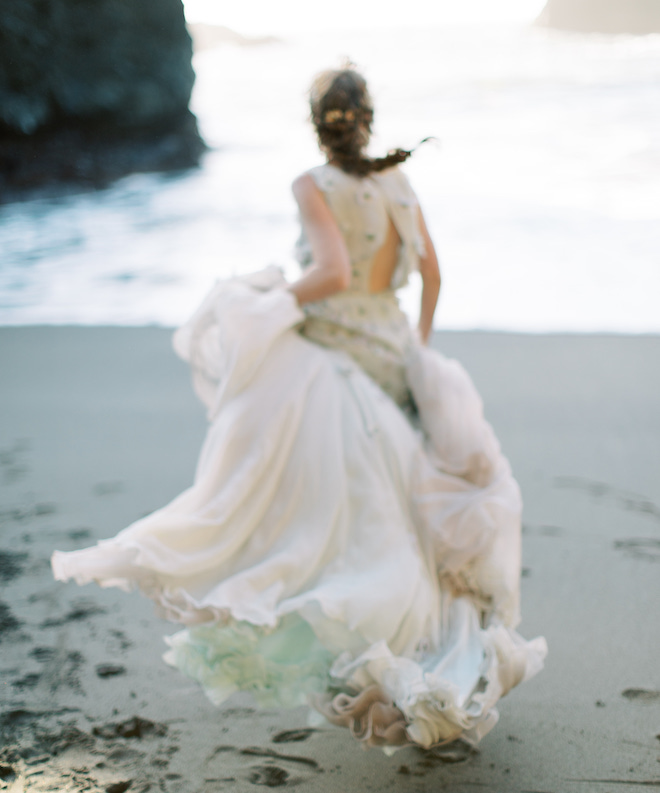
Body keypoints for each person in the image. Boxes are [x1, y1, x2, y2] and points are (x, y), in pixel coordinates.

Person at [52, 67, 546, 751]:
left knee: (316, 510)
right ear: (367, 117)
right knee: (413, 516)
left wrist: (275, 298)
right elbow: (432, 275)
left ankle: (355, 633)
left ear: (318, 123)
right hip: (397, 361)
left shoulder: (313, 184)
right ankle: (434, 653)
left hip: (340, 365)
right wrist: (417, 350)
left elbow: (334, 273)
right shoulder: (399, 183)